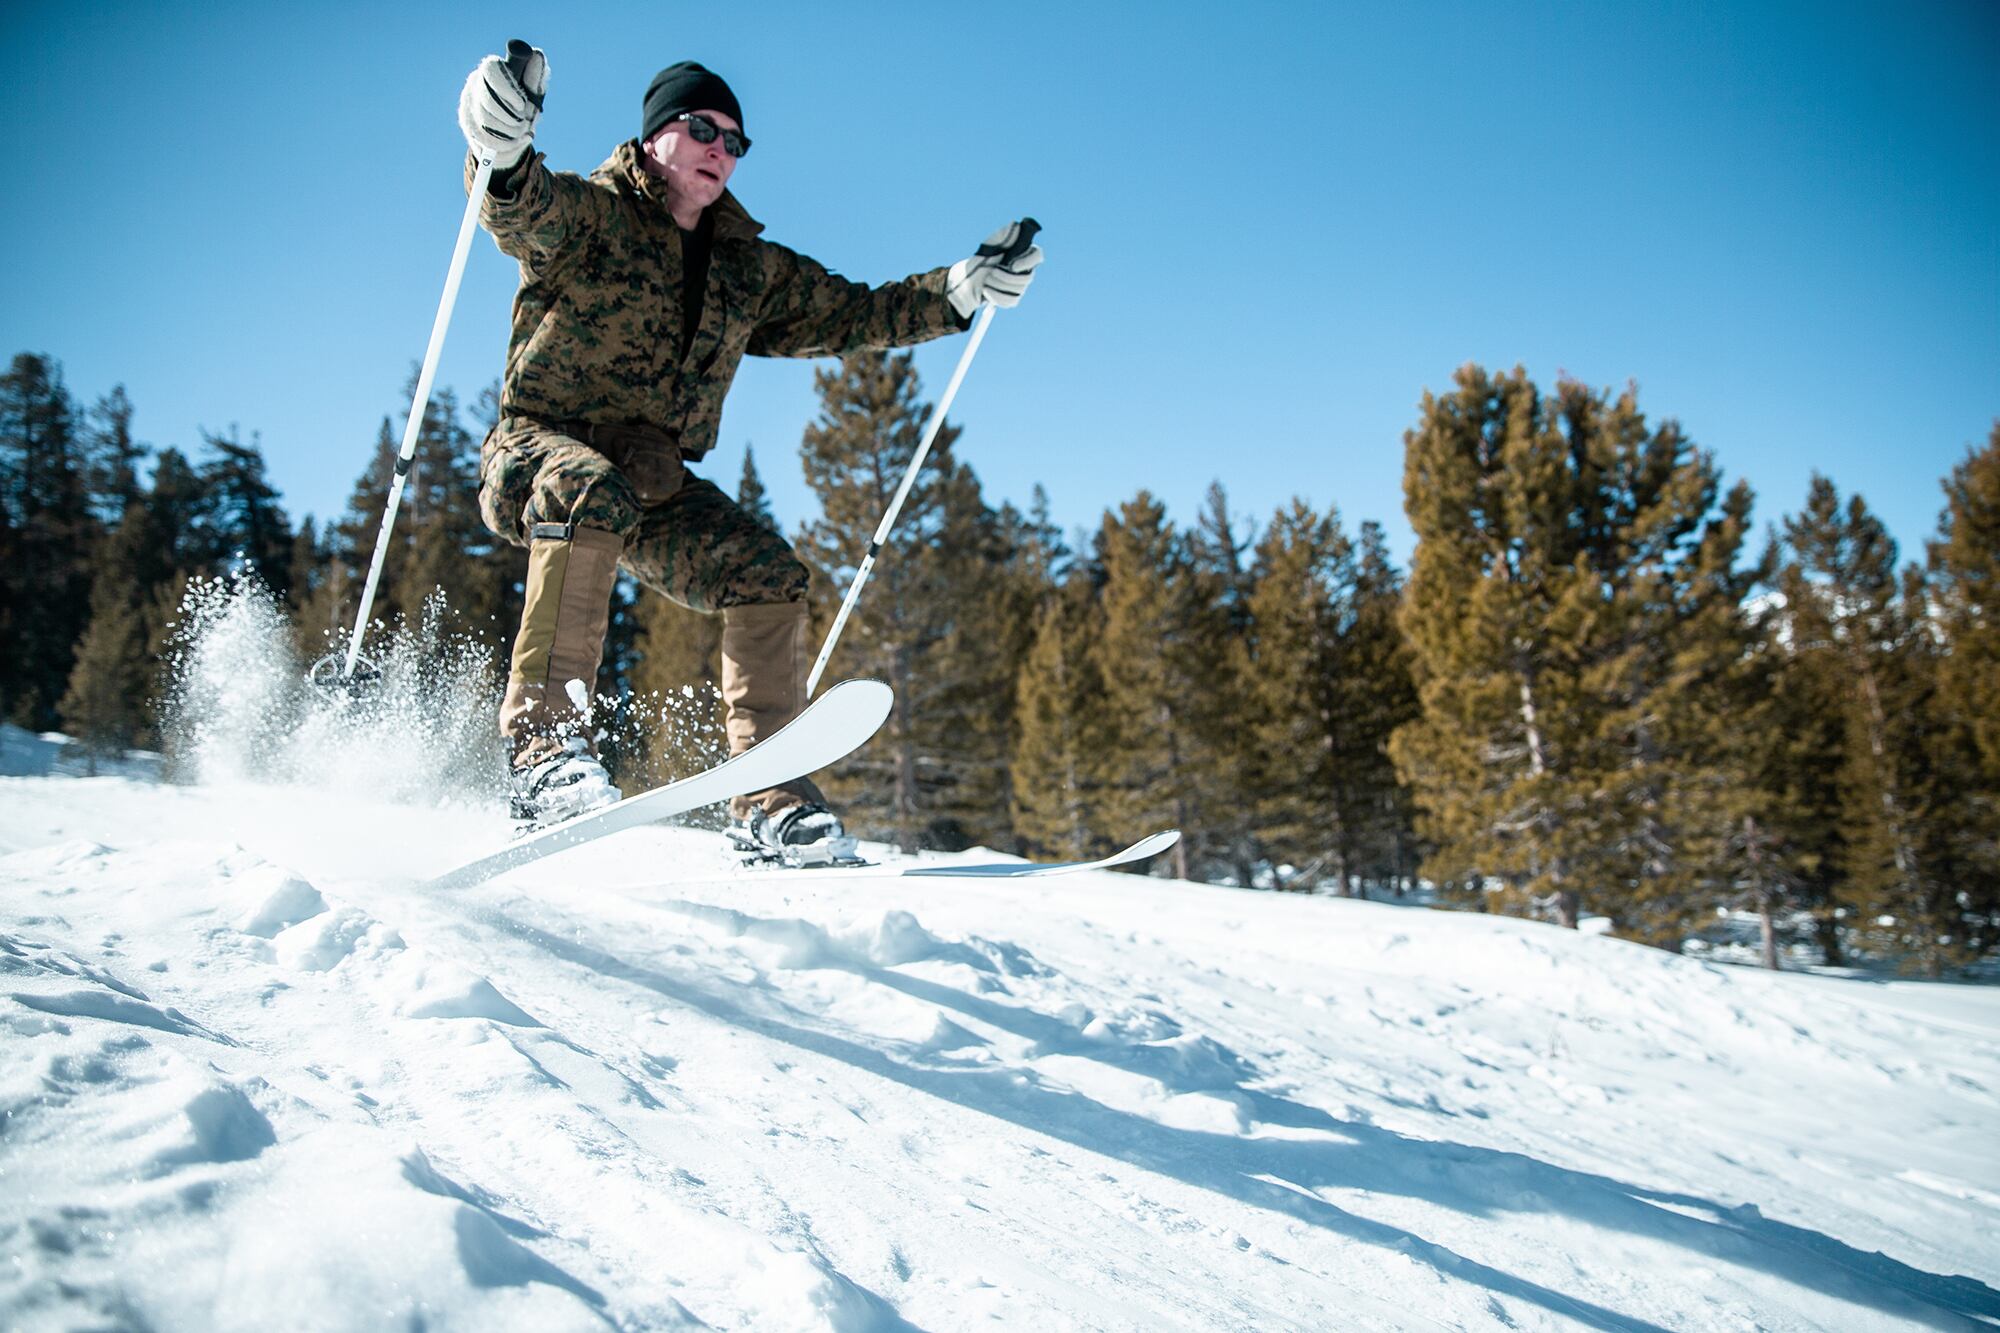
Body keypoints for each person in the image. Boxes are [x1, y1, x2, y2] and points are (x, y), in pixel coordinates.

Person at [456, 46, 1042, 853]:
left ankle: (768, 793)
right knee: (589, 485)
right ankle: (542, 744)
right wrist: (503, 151)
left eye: (736, 142)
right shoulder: (596, 215)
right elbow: (522, 210)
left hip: (654, 483)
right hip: (540, 448)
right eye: (703, 129)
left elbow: (850, 313)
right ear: (658, 132)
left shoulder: (744, 267)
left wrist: (960, 290)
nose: (720, 151)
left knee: (766, 569)